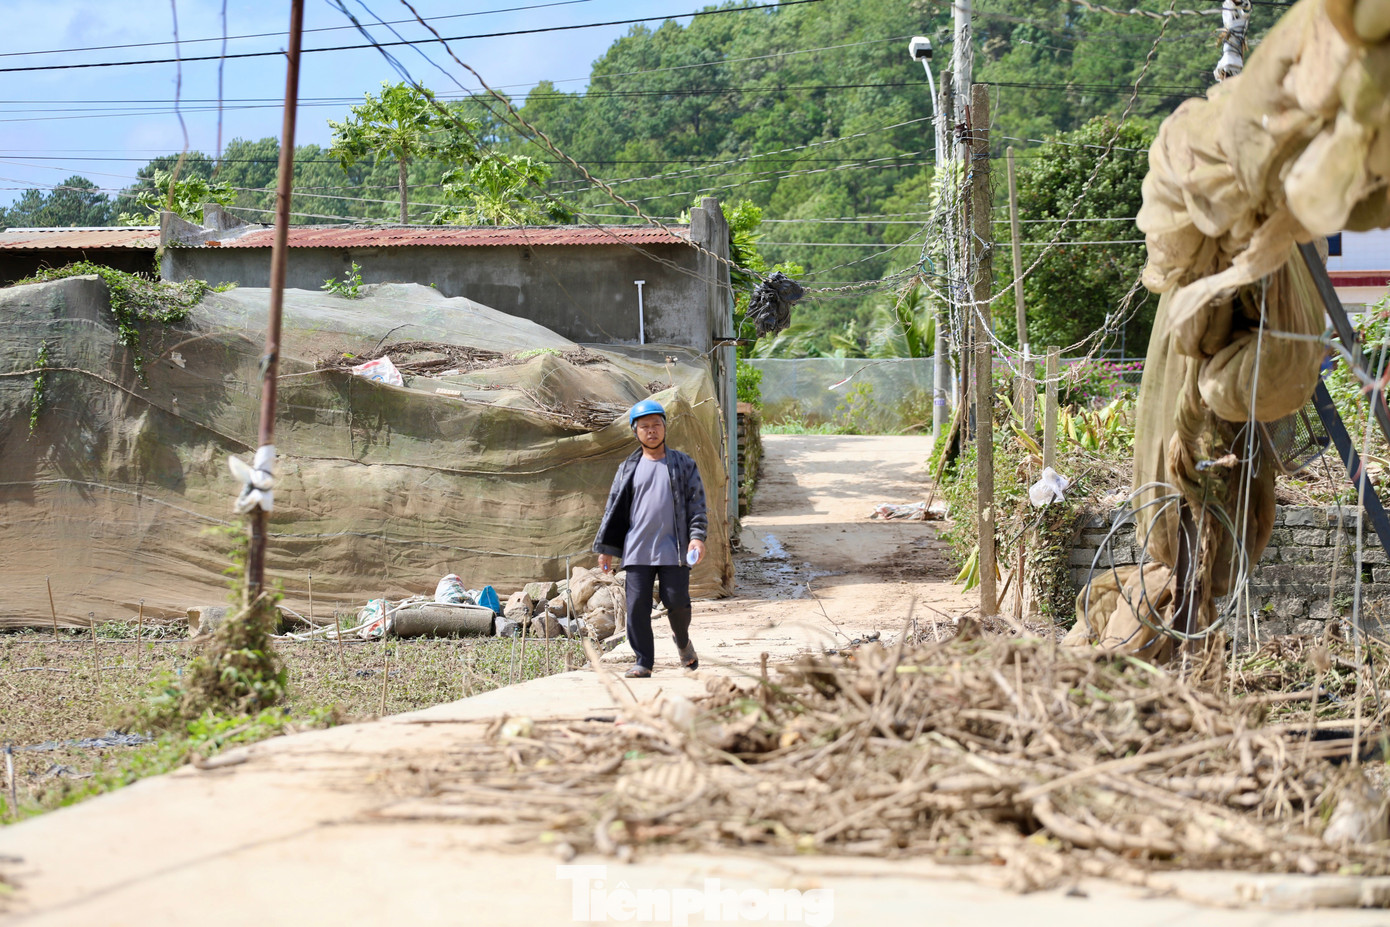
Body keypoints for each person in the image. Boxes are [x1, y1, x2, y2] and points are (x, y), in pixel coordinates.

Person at [592, 398, 707, 678]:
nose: (651, 430)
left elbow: (697, 504)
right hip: (638, 549)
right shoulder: (627, 468)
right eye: (644, 426)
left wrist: (697, 537)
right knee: (637, 607)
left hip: (674, 547)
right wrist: (606, 550)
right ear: (635, 432)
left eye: (657, 425)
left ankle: (682, 640)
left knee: (677, 601)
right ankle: (643, 661)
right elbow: (613, 510)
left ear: (665, 428)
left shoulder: (683, 464)